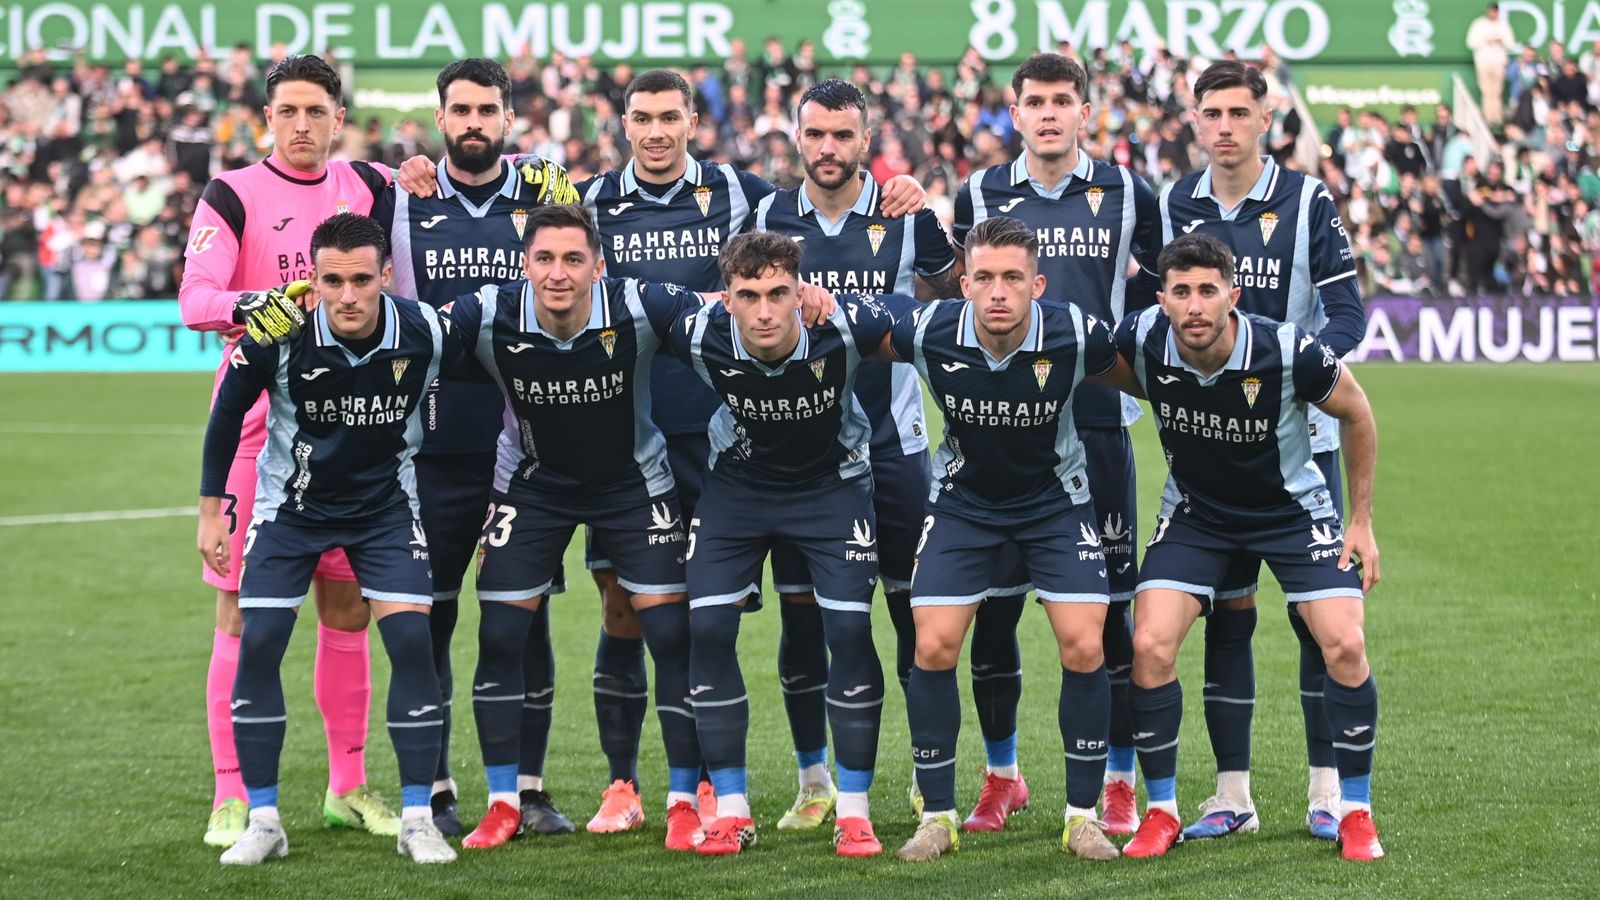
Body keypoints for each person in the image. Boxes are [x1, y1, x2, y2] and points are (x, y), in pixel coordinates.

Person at [438, 204, 732, 853]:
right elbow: (409, 335)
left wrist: (806, 300)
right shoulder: (488, 313)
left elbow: (731, 318)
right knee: (500, 633)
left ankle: (684, 801)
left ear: (599, 267)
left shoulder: (642, 306)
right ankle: (502, 801)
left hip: (633, 486)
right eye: (545, 259)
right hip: (532, 486)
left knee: (669, 636)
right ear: (525, 265)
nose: (558, 273)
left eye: (574, 260)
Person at [179, 53, 395, 850]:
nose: (302, 125)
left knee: (349, 608)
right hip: (254, 438)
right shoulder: (232, 193)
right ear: (267, 117)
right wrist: (263, 303)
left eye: (317, 111)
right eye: (288, 111)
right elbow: (196, 299)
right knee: (238, 611)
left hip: (348, 432)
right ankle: (231, 794)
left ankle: (348, 786)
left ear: (340, 119)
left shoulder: (371, 186)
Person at [195, 213, 456, 866]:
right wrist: (209, 512)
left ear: (386, 278)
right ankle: (262, 818)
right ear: (312, 279)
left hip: (385, 512)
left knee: (411, 644)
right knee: (259, 643)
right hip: (291, 512)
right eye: (332, 280)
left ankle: (419, 819)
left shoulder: (423, 330)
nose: (347, 295)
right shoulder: (280, 333)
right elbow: (228, 411)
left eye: (362, 280)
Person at [1115, 232, 1384, 862]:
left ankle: (1356, 810)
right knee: (1150, 644)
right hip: (1198, 515)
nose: (1195, 306)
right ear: (1162, 299)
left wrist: (1362, 521)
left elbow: (1358, 411)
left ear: (1233, 296)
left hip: (1290, 512)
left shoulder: (1286, 351)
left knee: (1343, 640)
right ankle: (1161, 812)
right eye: (1181, 292)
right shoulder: (1143, 341)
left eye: (1208, 291)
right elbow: (1075, 359)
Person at [883, 216, 1137, 863]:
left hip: (1054, 505)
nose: (999, 292)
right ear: (964, 283)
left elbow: (1147, 376)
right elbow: (853, 334)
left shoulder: (1075, 334)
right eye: (986, 278)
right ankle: (937, 816)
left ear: (1038, 285)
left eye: (1014, 279)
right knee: (933, 645)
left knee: (1085, 642)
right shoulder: (929, 330)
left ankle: (1083, 818)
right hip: (964, 505)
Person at [951, 52, 1160, 835]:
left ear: (1084, 111)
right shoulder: (980, 192)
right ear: (1014, 111)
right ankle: (1002, 774)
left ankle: (1116, 779)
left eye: (1061, 101)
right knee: (995, 613)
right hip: (999, 430)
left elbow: (1170, 276)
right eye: (1033, 101)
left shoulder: (1126, 192)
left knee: (1109, 614)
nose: (1047, 114)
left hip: (1098, 424)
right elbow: (952, 286)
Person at [1156, 59, 1365, 842]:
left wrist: (1297, 374)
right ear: (1195, 119)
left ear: (1264, 118)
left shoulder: (1308, 200)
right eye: (1210, 113)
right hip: (1213, 449)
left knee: (1319, 621)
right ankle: (1233, 796)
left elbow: (1347, 314)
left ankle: (1326, 789)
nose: (1223, 126)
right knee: (1228, 616)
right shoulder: (1178, 201)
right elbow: (1163, 309)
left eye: (1238, 113)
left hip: (1301, 446)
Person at [371, 57, 579, 838]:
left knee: (523, 620)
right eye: (459, 110)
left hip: (529, 451)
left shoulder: (545, 195)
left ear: (509, 117)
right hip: (433, 448)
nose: (473, 124)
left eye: (486, 110)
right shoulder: (403, 197)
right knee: (428, 618)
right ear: (440, 116)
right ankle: (436, 786)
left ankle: (526, 789)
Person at [748, 77, 959, 830]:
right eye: (816, 135)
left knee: (914, 619)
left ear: (866, 139)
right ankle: (814, 781)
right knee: (804, 621)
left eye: (843, 135)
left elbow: (954, 307)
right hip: (799, 457)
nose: (829, 149)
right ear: (796, 138)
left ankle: (926, 774)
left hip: (895, 448)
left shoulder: (908, 217)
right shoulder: (766, 215)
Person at [661, 231, 905, 857]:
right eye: (749, 296)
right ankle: (732, 810)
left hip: (832, 490)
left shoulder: (842, 327)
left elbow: (926, 318)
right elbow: (608, 296)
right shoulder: (698, 330)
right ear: (727, 299)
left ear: (801, 292)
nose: (765, 311)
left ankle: (853, 809)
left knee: (849, 632)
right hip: (737, 490)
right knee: (708, 629)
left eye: (779, 294)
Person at [1467, 2, 1516, 128]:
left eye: (1496, 11)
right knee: (1486, 91)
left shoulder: (1504, 26)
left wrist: (1500, 40)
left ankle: (1496, 118)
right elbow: (1471, 42)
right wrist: (1486, 40)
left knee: (1497, 92)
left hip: (1499, 63)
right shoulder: (1479, 24)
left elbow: (1511, 44)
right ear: (1488, 11)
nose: (1493, 13)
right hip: (1483, 62)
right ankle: (1488, 118)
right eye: (1492, 11)